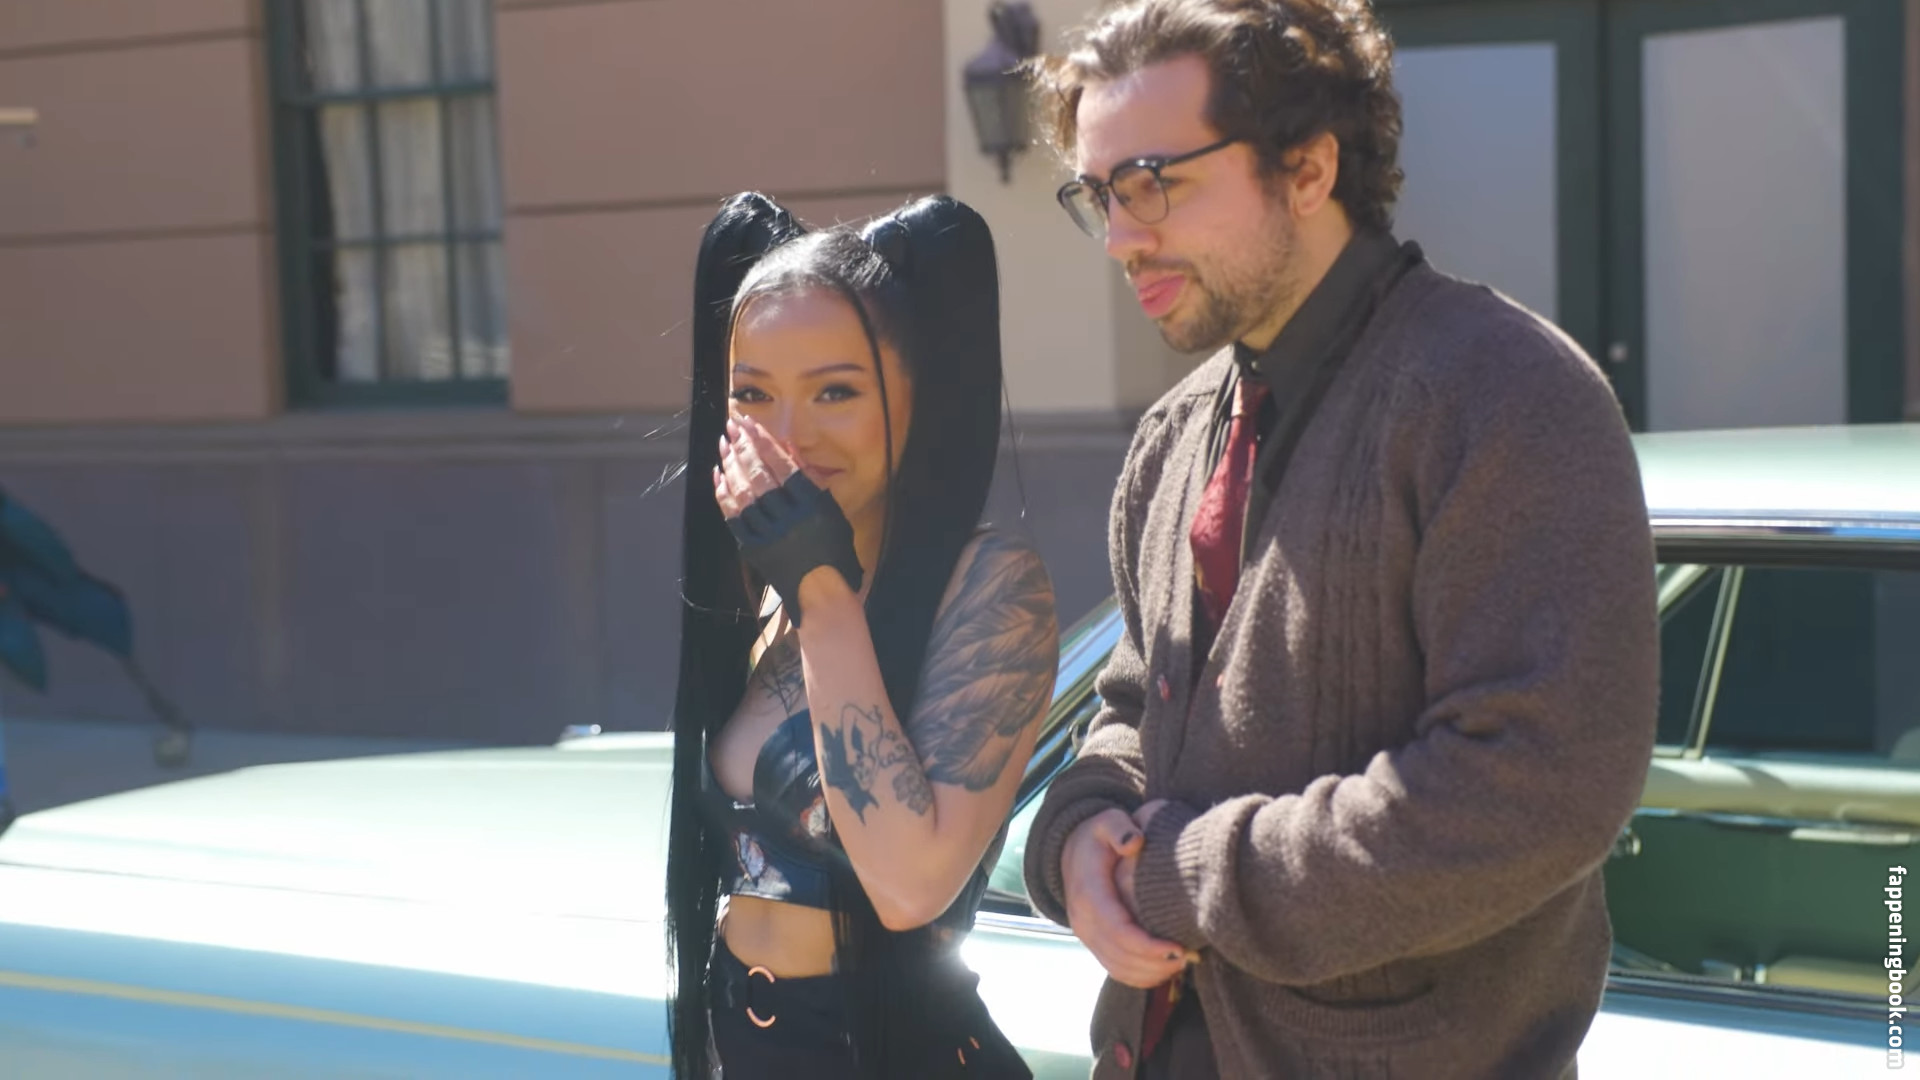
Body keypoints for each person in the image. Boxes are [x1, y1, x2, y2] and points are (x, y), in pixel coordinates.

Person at [1019, 2, 1660, 1077]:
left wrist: (1183, 874)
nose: (1122, 238)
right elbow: (1135, 711)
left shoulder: (1507, 395)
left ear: (1309, 169)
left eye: (1152, 183)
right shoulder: (1174, 435)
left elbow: (1532, 789)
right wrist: (1082, 830)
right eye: (1099, 196)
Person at [663, 191, 1054, 1079]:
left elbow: (909, 887)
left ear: (917, 397)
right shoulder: (760, 589)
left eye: (835, 391)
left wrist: (821, 590)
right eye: (753, 394)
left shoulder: (988, 585)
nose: (789, 436)